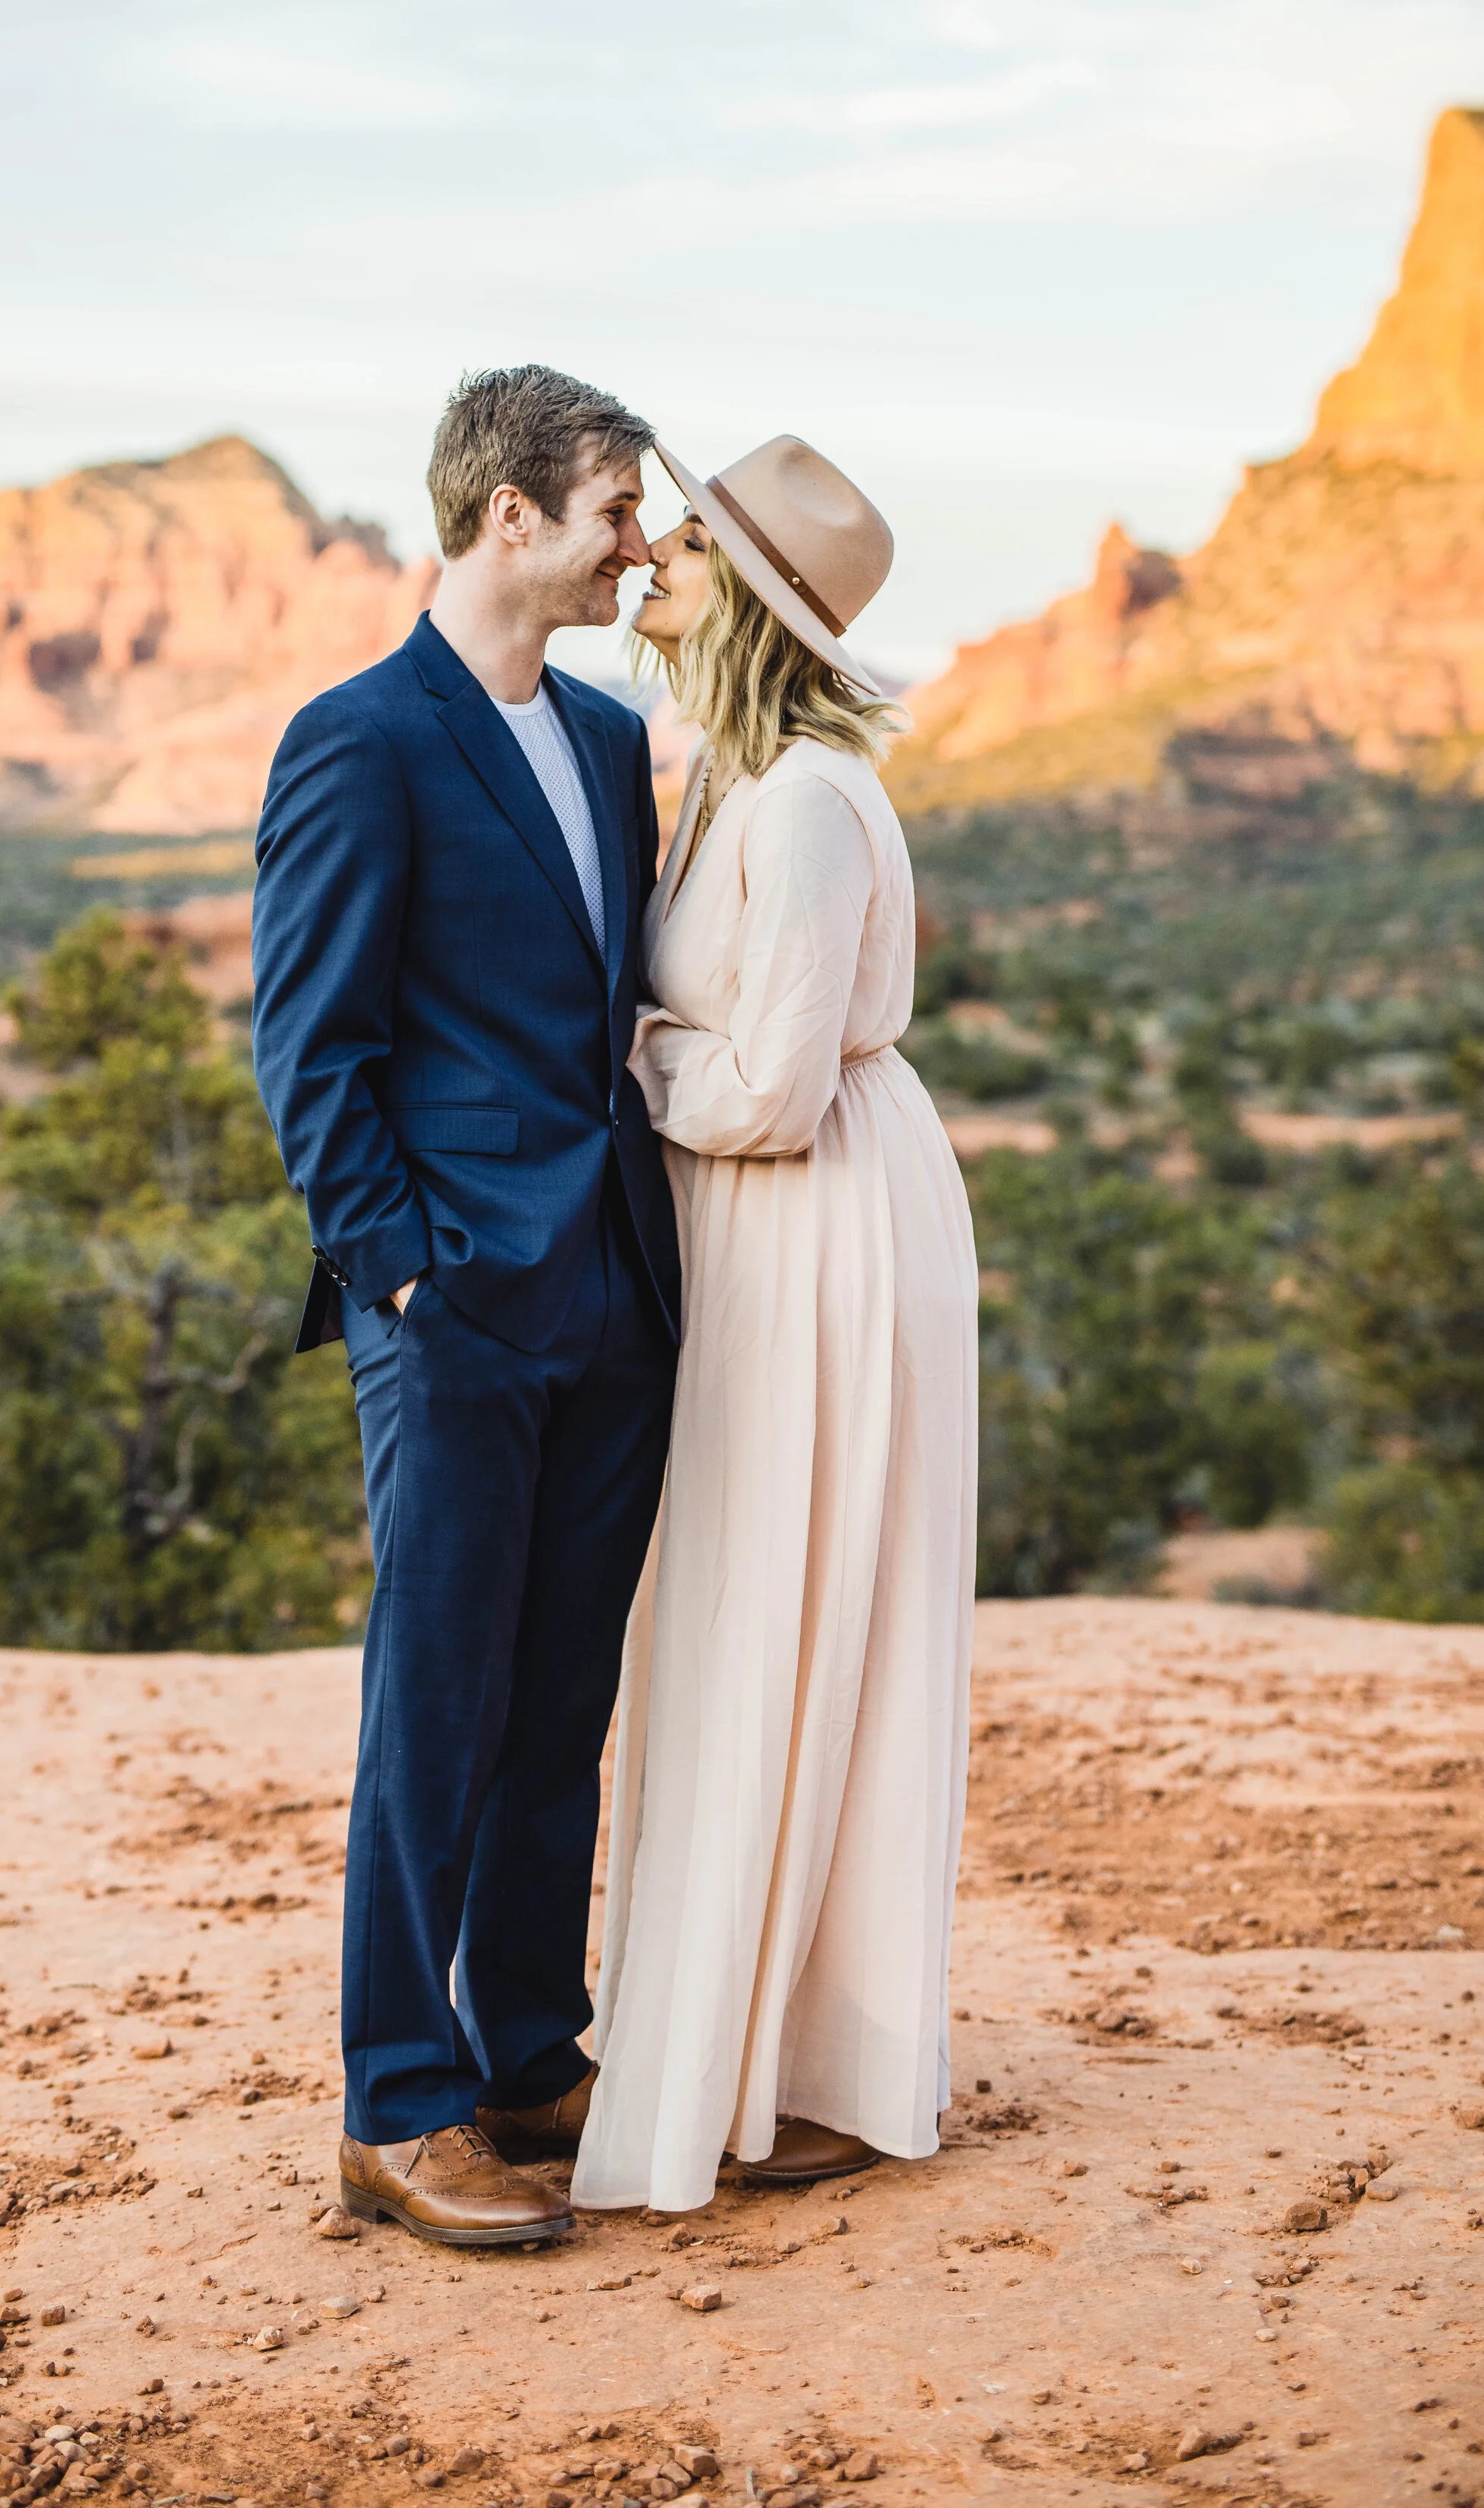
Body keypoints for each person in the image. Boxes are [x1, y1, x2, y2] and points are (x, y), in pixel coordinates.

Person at [251, 366, 681, 2247]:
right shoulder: (357, 740)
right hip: (450, 1312)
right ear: (510, 513)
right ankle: (396, 2102)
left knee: (560, 1698)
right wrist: (404, 1275)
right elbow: (312, 1046)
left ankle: (522, 2052)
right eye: (613, 510)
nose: (635, 544)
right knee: (436, 1703)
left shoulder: (603, 741)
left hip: (611, 1294)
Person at [572, 436, 980, 2215]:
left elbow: (765, 1087)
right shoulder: (727, 779)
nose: (652, 553)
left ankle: (821, 2060)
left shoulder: (805, 802)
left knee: (803, 1606)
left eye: (687, 542)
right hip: (757, 1227)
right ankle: (757, 2031)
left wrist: (625, 1065)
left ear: (747, 598)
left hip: (814, 1221)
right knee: (756, 1602)